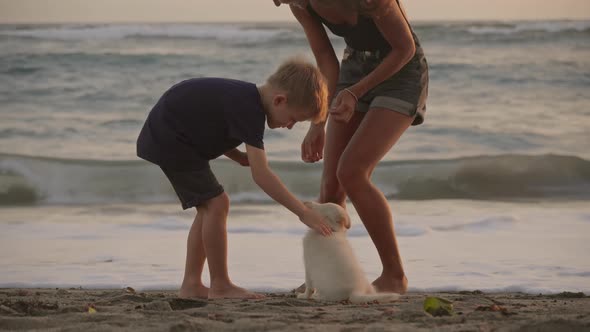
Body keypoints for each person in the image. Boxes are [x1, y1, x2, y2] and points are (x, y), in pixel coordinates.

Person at [136, 57, 333, 300]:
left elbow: (210, 121)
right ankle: (220, 285)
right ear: (280, 100)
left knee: (209, 207)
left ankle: (192, 285)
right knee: (217, 204)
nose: (291, 126)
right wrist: (303, 212)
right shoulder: (250, 109)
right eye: (293, 118)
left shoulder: (246, 100)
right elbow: (262, 175)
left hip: (172, 132)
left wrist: (237, 155)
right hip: (169, 136)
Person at [274, 0, 429, 294]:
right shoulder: (301, 4)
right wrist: (318, 122)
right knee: (331, 187)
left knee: (352, 172)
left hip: (401, 72)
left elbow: (404, 48)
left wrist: (356, 93)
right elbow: (325, 58)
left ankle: (394, 275)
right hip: (352, 69)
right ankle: (325, 277)